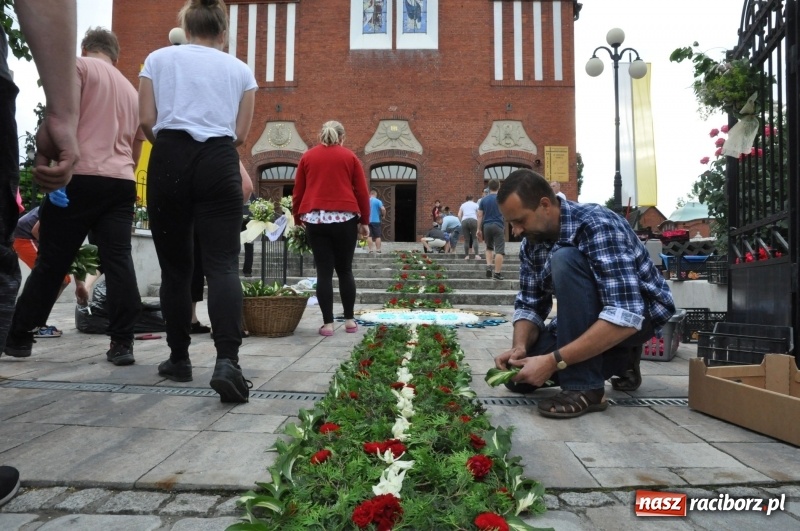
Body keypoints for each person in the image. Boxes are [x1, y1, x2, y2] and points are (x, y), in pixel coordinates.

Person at [139, 0, 257, 402]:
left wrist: (172, 148)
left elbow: (145, 121)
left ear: (186, 27)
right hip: (220, 160)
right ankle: (227, 361)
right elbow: (240, 134)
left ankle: (179, 358)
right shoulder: (241, 71)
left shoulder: (157, 60)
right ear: (222, 32)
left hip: (170, 155)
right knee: (222, 264)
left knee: (175, 268)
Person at [4, 27, 143, 365]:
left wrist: (45, 158)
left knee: (52, 261)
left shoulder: (78, 68)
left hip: (77, 177)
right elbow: (137, 144)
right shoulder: (131, 90)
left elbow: (59, 116)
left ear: (85, 47)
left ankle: (20, 335)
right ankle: (122, 343)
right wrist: (122, 170)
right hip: (121, 181)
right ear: (115, 55)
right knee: (119, 262)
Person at [493, 169, 675, 419]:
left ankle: (586, 388)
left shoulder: (597, 223)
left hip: (639, 316)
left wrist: (552, 361)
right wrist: (520, 347)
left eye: (520, 221)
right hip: (591, 316)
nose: (516, 232)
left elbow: (625, 313)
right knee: (519, 379)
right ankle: (620, 358)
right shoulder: (532, 243)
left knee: (565, 259)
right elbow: (531, 304)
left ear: (545, 205)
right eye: (511, 224)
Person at [1, 0, 81, 508]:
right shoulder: (42, 213)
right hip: (27, 234)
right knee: (47, 269)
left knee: (62, 272)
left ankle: (23, 329)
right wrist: (61, 112)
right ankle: (21, 330)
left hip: (38, 232)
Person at [292, 120, 370, 337]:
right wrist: (364, 221)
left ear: (320, 136)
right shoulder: (350, 157)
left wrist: (298, 219)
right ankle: (349, 320)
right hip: (345, 218)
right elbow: (362, 191)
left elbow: (298, 191)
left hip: (316, 219)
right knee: (345, 270)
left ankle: (327, 324)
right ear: (342, 138)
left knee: (324, 272)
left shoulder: (307, 157)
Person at [12, 206, 89, 337]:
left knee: (63, 280)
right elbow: (36, 230)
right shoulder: (64, 206)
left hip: (32, 237)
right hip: (25, 237)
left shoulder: (78, 217)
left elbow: (75, 252)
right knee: (53, 278)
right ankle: (34, 324)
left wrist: (80, 286)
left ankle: (37, 322)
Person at [477, 179, 506, 280]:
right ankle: (497, 273)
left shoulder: (483, 200)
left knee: (489, 247)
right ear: (499, 186)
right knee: (499, 250)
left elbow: (480, 215)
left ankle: (489, 266)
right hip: (498, 225)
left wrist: (478, 229)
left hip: (487, 226)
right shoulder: (502, 199)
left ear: (489, 187)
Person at [458, 194, 481, 260]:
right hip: (473, 220)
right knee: (475, 238)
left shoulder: (463, 205)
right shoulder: (475, 204)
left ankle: (467, 256)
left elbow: (459, 215)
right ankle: (476, 255)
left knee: (466, 239)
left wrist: (461, 222)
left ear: (466, 199)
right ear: (472, 199)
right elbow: (479, 214)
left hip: (464, 220)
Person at [367, 188, 385, 254]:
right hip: (376, 220)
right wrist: (383, 215)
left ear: (370, 194)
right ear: (375, 194)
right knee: (377, 236)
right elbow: (383, 209)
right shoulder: (378, 201)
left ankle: (370, 250)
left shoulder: (366, 201)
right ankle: (378, 249)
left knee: (369, 236)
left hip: (368, 220)